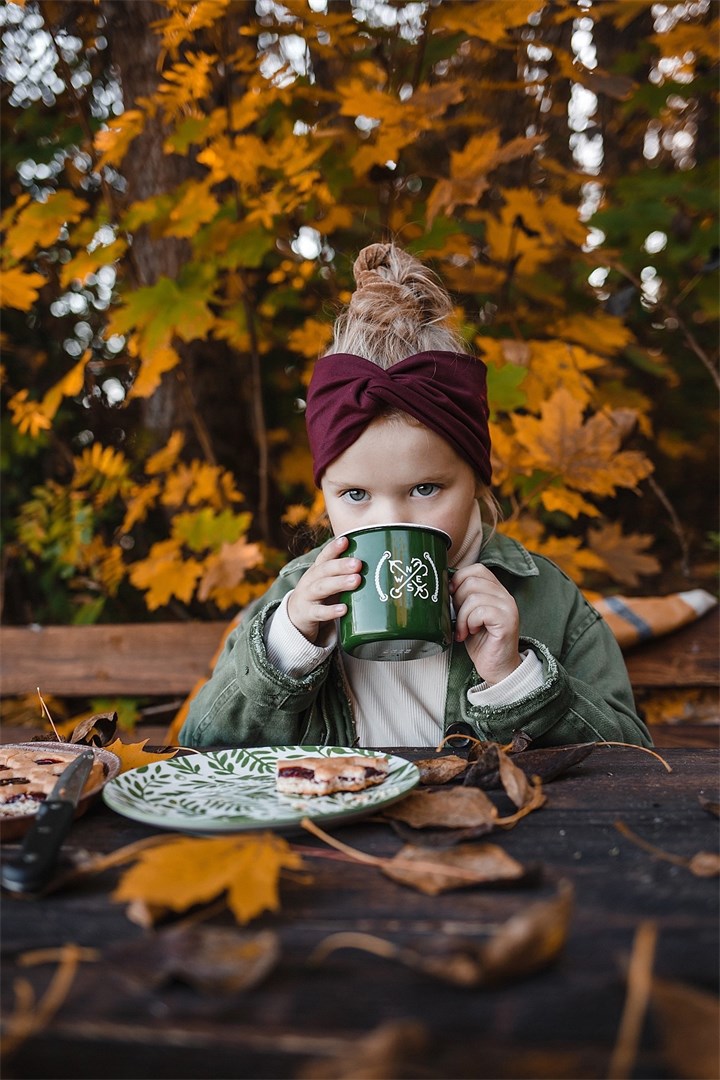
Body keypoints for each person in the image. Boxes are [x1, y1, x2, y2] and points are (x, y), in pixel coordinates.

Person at [179, 243, 652, 750]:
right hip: (338, 826)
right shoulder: (295, 600)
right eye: (355, 494)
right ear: (325, 494)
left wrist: (516, 678)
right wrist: (287, 649)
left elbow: (633, 759)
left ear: (477, 479)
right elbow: (199, 747)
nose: (389, 517)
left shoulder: (543, 598)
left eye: (425, 488)